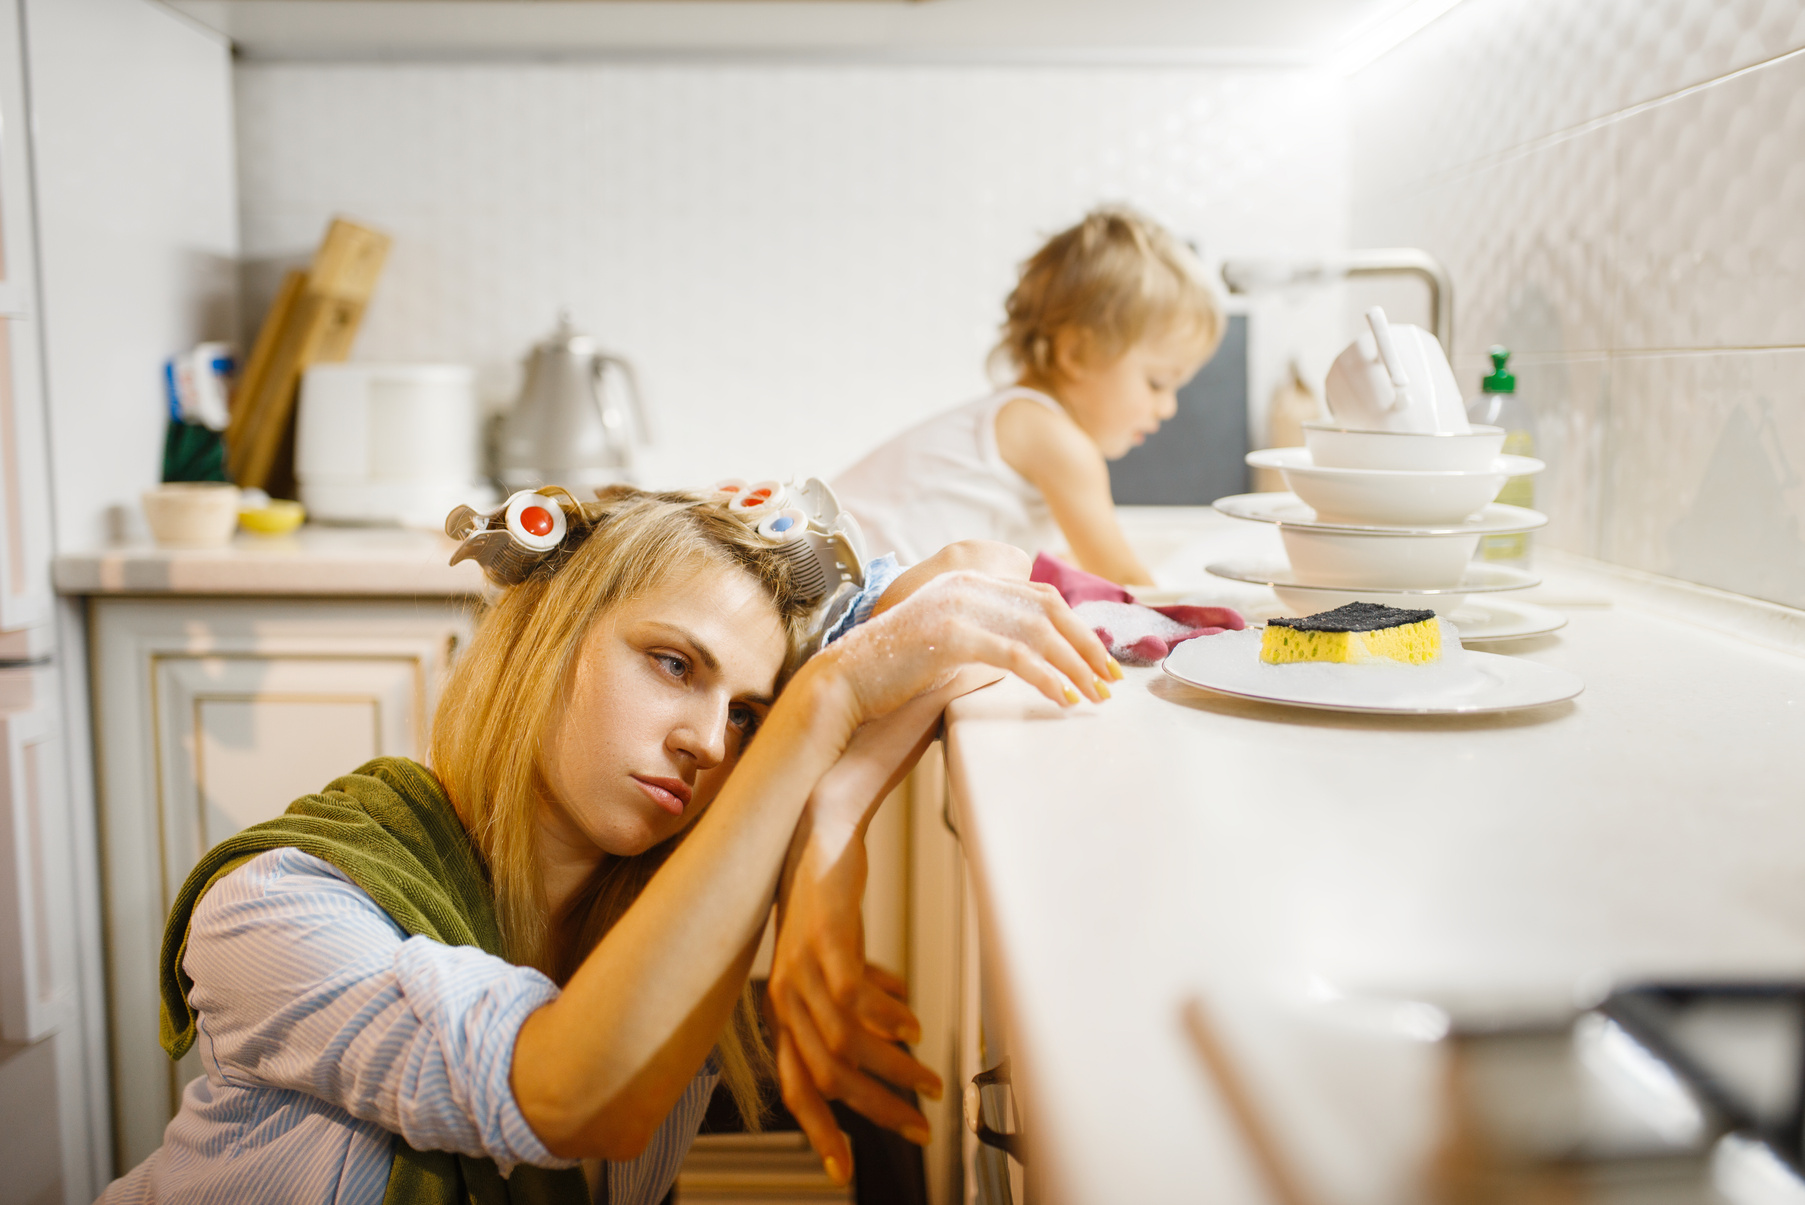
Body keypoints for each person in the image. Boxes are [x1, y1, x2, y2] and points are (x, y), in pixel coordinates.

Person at [103, 484, 1117, 1205]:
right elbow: (569, 1096)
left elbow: (973, 576)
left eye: (749, 713)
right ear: (547, 637)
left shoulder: (657, 902)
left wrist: (830, 838)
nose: (708, 739)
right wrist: (828, 701)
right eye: (672, 663)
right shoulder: (277, 905)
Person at [834, 205, 1225, 585]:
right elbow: (1123, 580)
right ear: (1076, 353)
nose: (1168, 407)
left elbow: (1061, 568)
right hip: (836, 586)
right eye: (1157, 382)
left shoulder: (1023, 423)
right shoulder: (1055, 440)